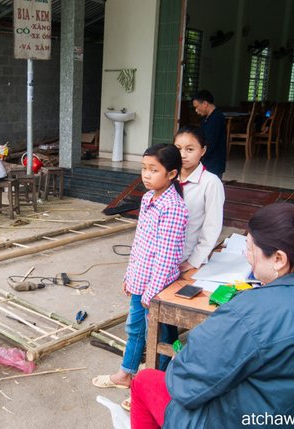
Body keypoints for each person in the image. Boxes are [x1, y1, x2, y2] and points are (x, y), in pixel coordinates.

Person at [130, 202, 294, 429]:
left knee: (145, 381)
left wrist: (182, 360)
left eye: (250, 249)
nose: (247, 256)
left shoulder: (251, 310)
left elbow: (185, 384)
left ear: (279, 258)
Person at [92, 144, 188, 410]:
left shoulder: (174, 208)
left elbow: (167, 257)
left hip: (157, 290)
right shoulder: (148, 199)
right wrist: (130, 277)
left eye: (153, 170)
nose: (146, 175)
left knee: (160, 339)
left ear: (171, 174)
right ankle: (126, 374)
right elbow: (141, 244)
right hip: (140, 283)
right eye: (144, 169)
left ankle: (156, 386)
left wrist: (150, 293)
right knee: (135, 330)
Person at [174, 126, 225, 273]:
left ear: (202, 151)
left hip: (188, 257)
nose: (183, 155)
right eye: (178, 148)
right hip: (164, 256)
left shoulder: (210, 182)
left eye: (190, 149)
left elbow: (212, 226)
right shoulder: (168, 178)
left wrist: (194, 260)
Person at [192, 90, 226, 178]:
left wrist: (198, 155)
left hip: (213, 163)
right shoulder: (206, 119)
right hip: (207, 161)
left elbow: (210, 142)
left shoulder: (217, 118)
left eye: (196, 107)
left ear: (205, 103)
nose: (196, 110)